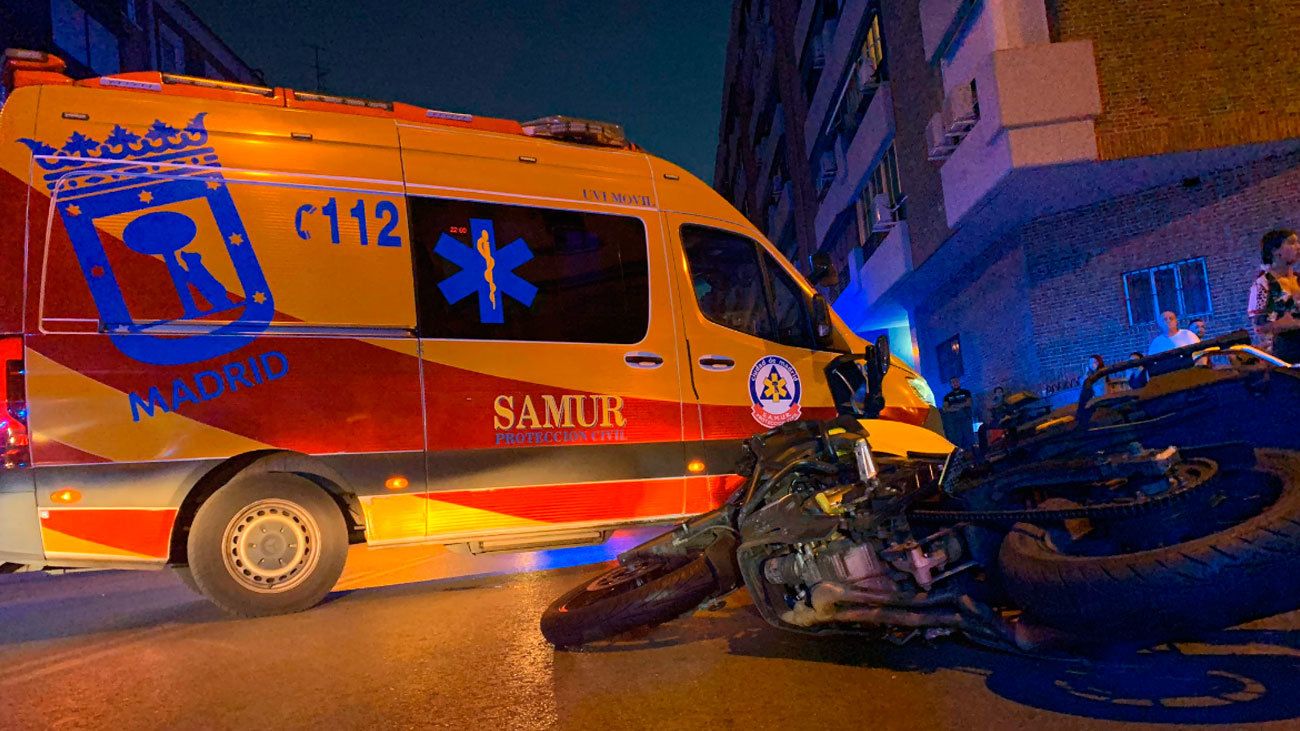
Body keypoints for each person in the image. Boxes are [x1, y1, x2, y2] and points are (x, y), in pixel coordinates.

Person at [1247, 228, 1300, 363]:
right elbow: (1259, 326)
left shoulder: (1298, 279)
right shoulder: (1262, 285)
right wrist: (1289, 325)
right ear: (1275, 251)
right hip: (1285, 355)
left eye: (1297, 242)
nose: (1298, 247)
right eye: (1291, 243)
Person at [941, 377, 975, 450]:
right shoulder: (947, 396)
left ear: (959, 382)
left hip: (966, 419)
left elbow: (968, 403)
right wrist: (957, 407)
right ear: (951, 384)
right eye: (953, 382)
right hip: (954, 421)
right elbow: (945, 408)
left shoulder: (966, 392)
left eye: (956, 381)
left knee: (968, 437)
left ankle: (970, 451)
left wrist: (955, 406)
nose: (955, 383)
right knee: (957, 438)